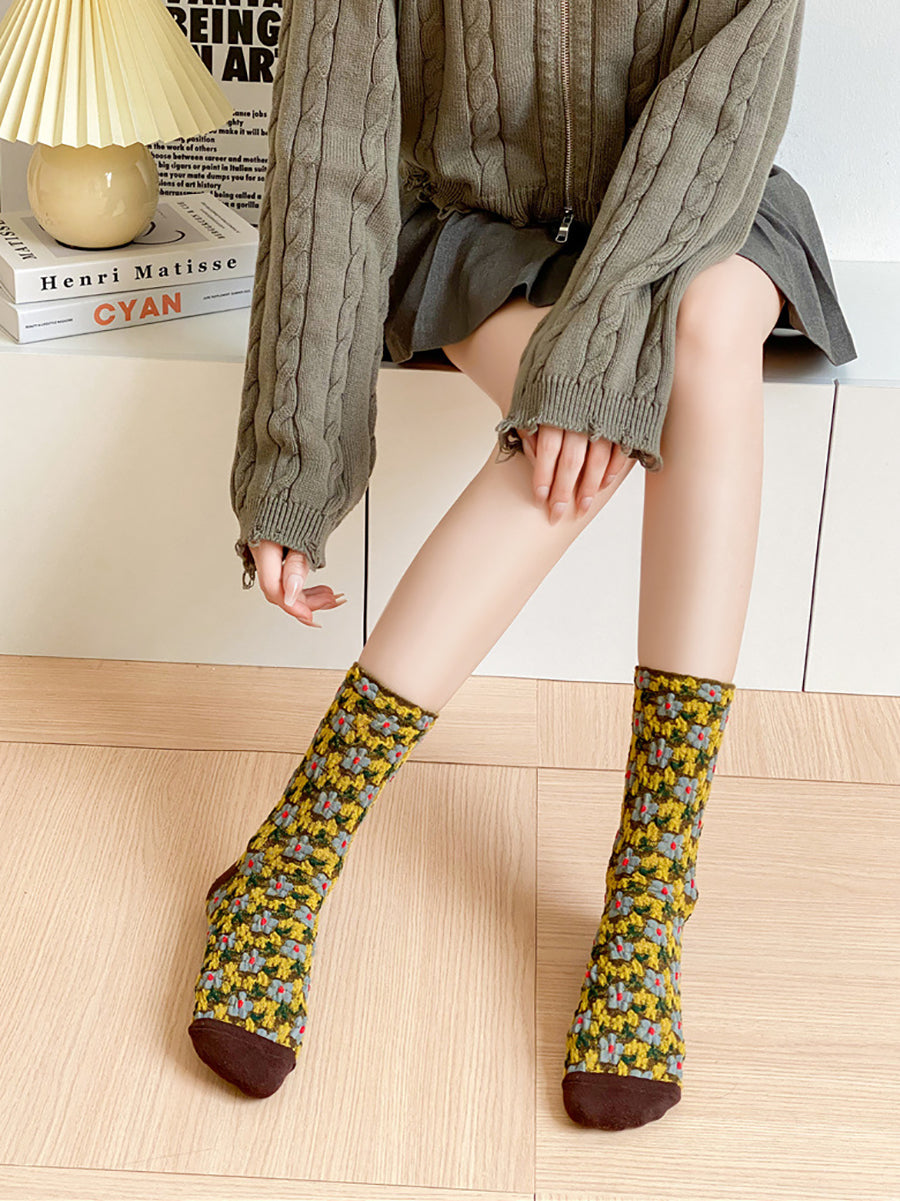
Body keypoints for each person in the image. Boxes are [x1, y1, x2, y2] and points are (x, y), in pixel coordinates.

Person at [187, 0, 857, 1130]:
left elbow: (714, 114)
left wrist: (599, 352)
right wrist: (293, 468)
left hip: (701, 208)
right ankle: (297, 848)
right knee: (596, 418)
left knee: (702, 335)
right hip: (481, 236)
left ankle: (650, 890)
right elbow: (330, 150)